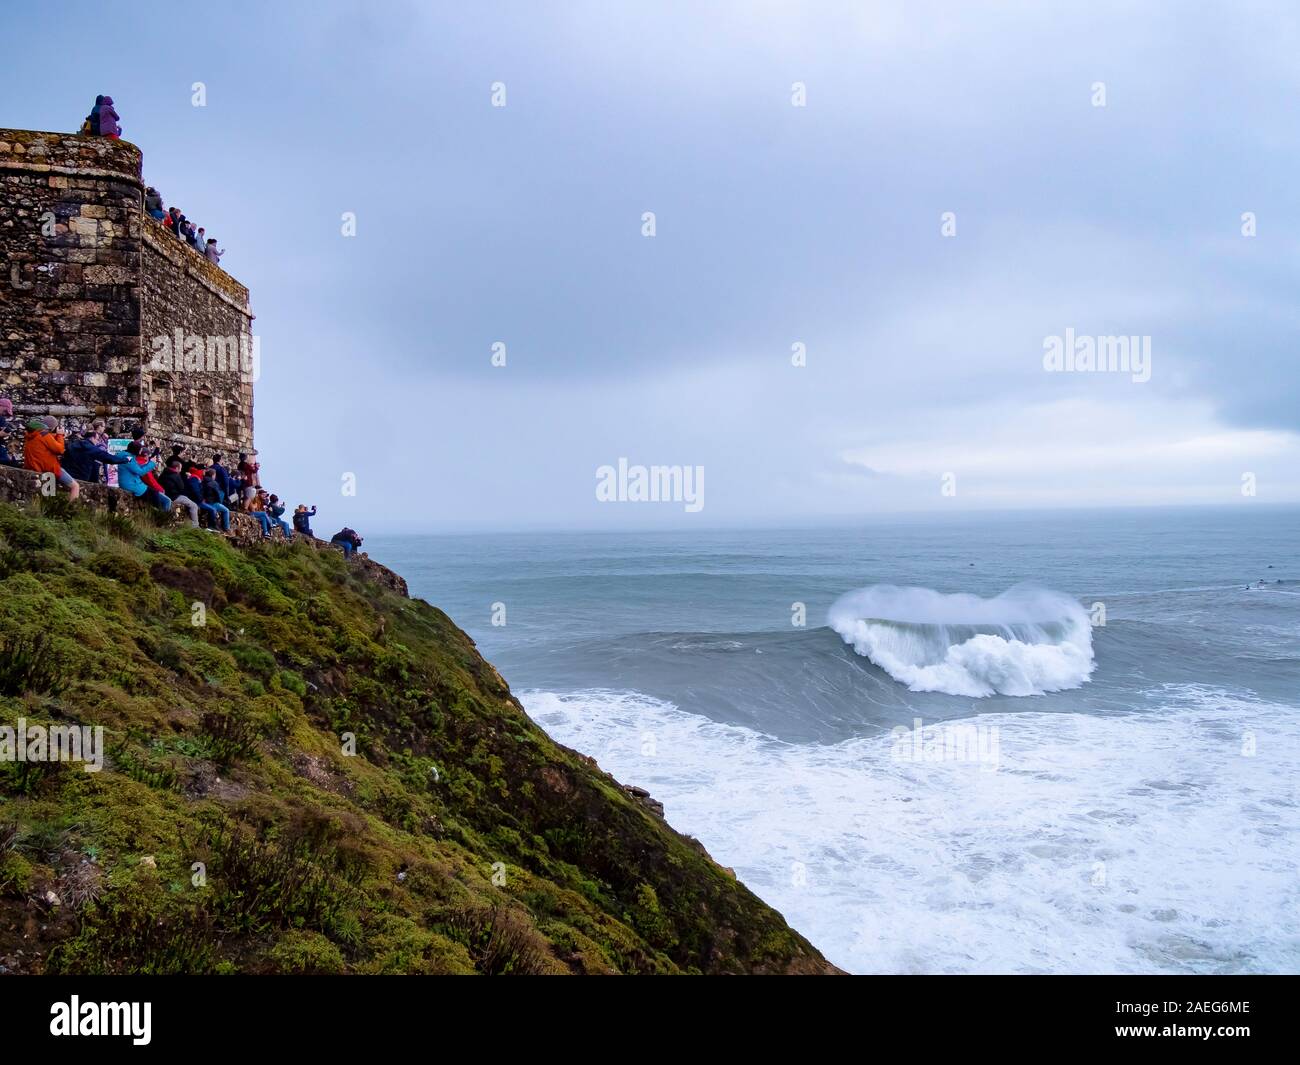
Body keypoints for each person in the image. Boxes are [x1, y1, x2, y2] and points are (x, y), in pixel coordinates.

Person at [23, 416, 78, 500]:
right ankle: (70, 510)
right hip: (49, 469)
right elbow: (60, 450)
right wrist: (60, 436)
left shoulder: (31, 435)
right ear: (52, 427)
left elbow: (44, 444)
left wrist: (56, 436)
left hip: (34, 467)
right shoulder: (45, 435)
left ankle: (46, 508)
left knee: (46, 497)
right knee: (75, 486)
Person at [115, 442, 170, 511]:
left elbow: (136, 468)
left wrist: (147, 463)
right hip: (132, 485)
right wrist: (152, 463)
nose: (140, 451)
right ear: (136, 450)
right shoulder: (129, 459)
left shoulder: (126, 456)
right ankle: (162, 518)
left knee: (156, 496)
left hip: (131, 483)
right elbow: (140, 472)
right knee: (161, 499)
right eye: (140, 449)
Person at [62, 430, 128, 483]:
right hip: (81, 477)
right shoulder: (90, 448)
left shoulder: (73, 444)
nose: (97, 442)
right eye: (97, 439)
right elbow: (106, 457)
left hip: (68, 475)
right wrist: (124, 460)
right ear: (92, 438)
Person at [159, 459, 201, 527]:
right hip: (174, 497)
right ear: (177, 468)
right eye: (180, 468)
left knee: (186, 498)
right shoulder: (176, 475)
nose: (181, 470)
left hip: (164, 495)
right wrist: (186, 477)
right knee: (194, 505)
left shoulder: (164, 473)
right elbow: (182, 487)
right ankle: (195, 526)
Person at [0, 398, 21, 468]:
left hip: (1, 450)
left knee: (13, 463)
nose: (4, 414)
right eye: (5, 411)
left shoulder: (1, 418)